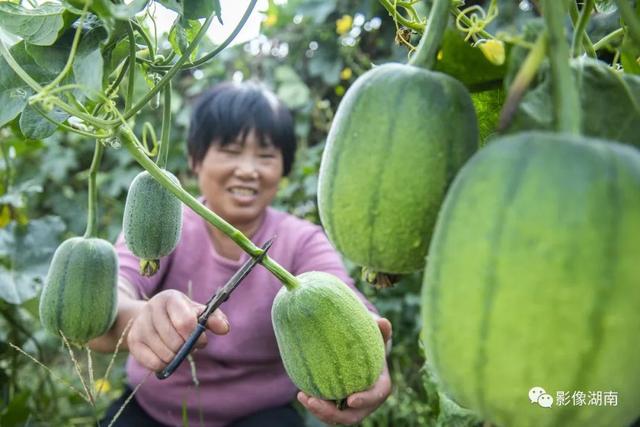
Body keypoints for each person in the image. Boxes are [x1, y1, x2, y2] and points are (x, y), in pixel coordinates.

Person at [90, 81, 392, 427]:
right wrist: (140, 317)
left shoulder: (301, 240)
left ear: (284, 168)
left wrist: (372, 348)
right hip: (154, 411)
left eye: (265, 155)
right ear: (195, 159)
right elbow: (108, 301)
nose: (248, 169)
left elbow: (349, 301)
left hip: (261, 415)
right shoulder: (162, 221)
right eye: (231, 150)